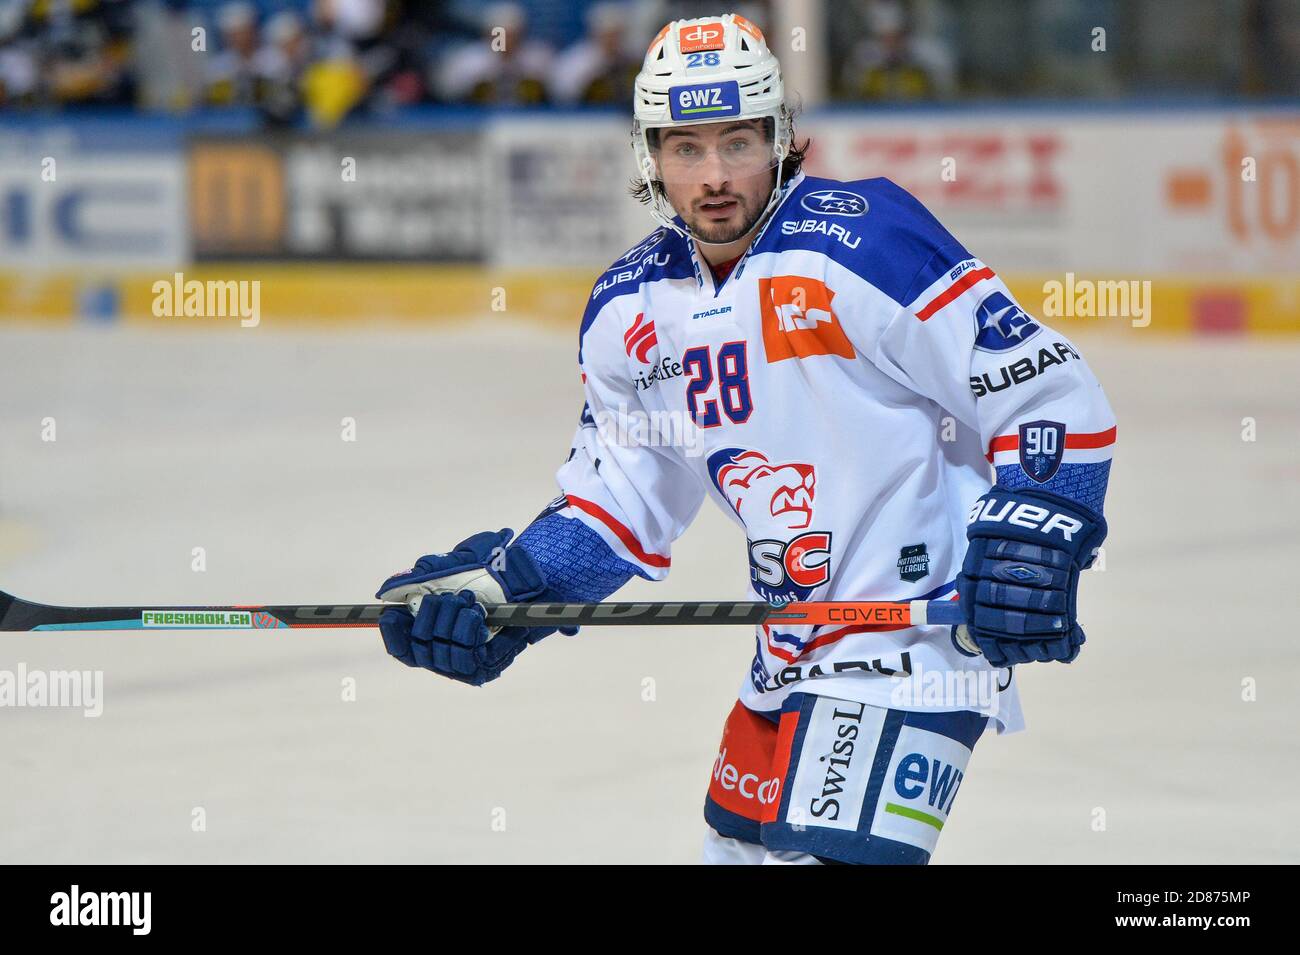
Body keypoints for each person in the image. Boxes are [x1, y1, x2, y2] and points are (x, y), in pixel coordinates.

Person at [375, 12, 1116, 865]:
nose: (715, 175)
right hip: (787, 647)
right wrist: (511, 591)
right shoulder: (628, 309)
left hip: (917, 644)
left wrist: (1042, 527)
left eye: (738, 141)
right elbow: (621, 500)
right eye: (686, 148)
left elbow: (1048, 388)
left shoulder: (864, 238)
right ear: (650, 156)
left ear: (781, 136)